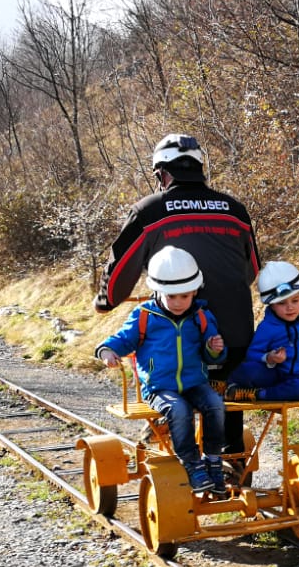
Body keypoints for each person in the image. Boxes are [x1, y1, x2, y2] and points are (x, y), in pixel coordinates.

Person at [95, 133, 258, 453]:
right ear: (199, 169)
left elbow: (120, 271)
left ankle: (164, 444)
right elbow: (251, 270)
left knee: (169, 367)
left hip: (184, 334)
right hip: (238, 335)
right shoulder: (235, 210)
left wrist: (105, 301)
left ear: (162, 173)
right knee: (225, 390)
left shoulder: (150, 211)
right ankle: (233, 459)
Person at [96, 247, 230, 499]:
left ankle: (213, 460)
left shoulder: (201, 316)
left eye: (184, 296)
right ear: (157, 291)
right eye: (171, 297)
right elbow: (123, 339)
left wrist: (214, 350)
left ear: (195, 292)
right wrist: (107, 351)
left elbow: (214, 356)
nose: (178, 303)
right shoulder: (144, 316)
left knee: (215, 404)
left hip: (194, 383)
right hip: (159, 387)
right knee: (178, 410)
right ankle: (191, 464)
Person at [228, 261, 299, 402]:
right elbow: (252, 353)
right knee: (248, 370)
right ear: (272, 305)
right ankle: (229, 386)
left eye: (295, 301)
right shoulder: (267, 327)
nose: (290, 308)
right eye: (282, 303)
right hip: (273, 374)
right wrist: (269, 358)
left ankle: (258, 394)